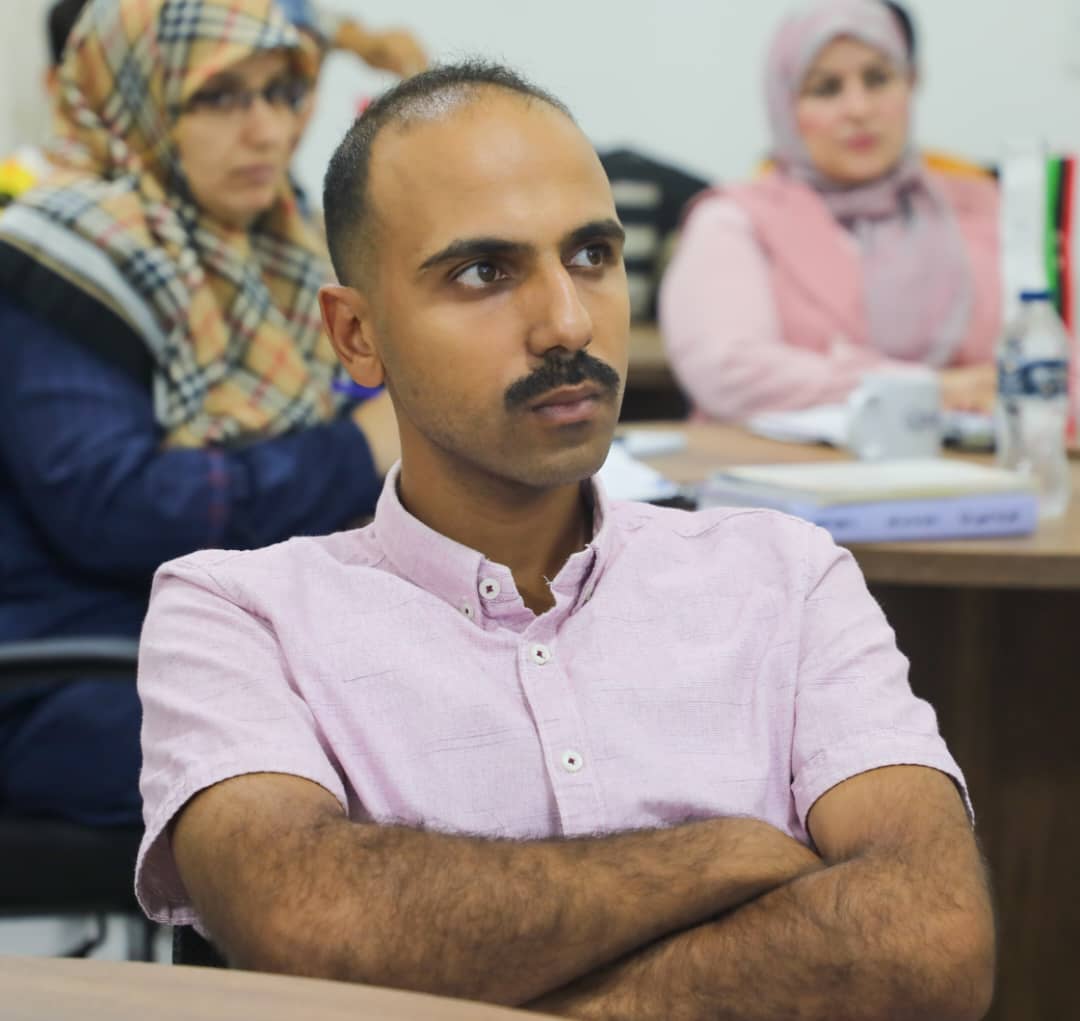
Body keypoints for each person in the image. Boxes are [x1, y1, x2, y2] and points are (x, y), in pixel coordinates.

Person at [134, 61, 995, 1020]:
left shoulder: (786, 576)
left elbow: (931, 942)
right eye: (484, 272)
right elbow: (311, 924)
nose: (569, 322)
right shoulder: (239, 615)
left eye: (591, 255)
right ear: (357, 335)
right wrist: (730, 853)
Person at [0, 0, 399, 827]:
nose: (267, 130)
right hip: (74, 667)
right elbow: (118, 511)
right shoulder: (58, 256)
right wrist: (351, 457)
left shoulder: (267, 240)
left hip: (228, 638)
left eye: (279, 93)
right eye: (218, 97)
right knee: (391, 765)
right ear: (132, 99)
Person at [660, 0, 1001, 423]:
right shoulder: (733, 220)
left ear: (910, 84)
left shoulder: (977, 207)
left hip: (970, 459)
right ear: (785, 106)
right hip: (773, 461)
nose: (858, 109)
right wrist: (929, 390)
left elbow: (1049, 353)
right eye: (826, 89)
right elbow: (730, 370)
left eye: (878, 79)